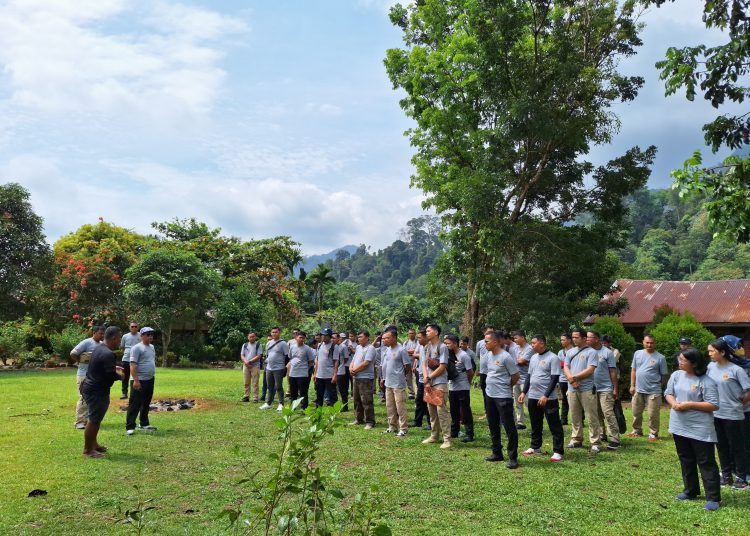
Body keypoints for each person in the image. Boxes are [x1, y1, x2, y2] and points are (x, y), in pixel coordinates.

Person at [664, 348, 722, 511]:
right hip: (679, 425)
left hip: (700, 428)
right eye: (679, 359)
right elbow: (668, 393)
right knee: (686, 458)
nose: (679, 362)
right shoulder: (676, 375)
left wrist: (689, 404)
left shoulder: (706, 381)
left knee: (706, 462)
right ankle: (690, 491)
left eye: (683, 360)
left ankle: (714, 498)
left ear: (694, 363)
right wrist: (673, 403)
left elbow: (713, 405)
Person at [707, 338, 750, 489]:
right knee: (721, 445)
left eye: (712, 351)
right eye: (709, 351)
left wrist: (739, 403)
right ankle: (726, 476)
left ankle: (741, 477)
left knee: (737, 446)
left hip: (733, 415)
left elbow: (748, 390)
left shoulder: (735, 370)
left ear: (723, 352)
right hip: (715, 414)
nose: (710, 354)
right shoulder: (710, 367)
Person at [80, 326, 125, 458]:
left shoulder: (99, 348)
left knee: (96, 418)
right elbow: (110, 375)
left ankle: (93, 444)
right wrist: (120, 375)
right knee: (94, 419)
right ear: (113, 338)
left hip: (90, 387)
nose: (120, 341)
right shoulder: (108, 353)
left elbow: (101, 367)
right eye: (119, 338)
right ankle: (88, 450)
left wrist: (113, 367)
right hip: (96, 391)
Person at [519, 334, 565, 462]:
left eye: (534, 343)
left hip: (548, 399)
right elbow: (529, 376)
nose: (532, 345)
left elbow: (554, 378)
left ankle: (558, 451)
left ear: (542, 343)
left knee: (554, 424)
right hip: (533, 396)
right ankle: (535, 447)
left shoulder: (553, 357)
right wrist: (524, 392)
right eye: (532, 343)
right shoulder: (533, 358)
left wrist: (546, 395)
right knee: (535, 423)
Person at [483, 330, 520, 468]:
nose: (484, 343)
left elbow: (515, 376)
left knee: (508, 426)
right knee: (493, 424)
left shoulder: (506, 357)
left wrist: (506, 386)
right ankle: (496, 452)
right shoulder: (488, 355)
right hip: (490, 395)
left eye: (487, 341)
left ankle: (513, 457)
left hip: (503, 397)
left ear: (496, 342)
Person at [563, 329, 602, 453]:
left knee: (591, 416)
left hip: (586, 389)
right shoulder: (570, 352)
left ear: (584, 338)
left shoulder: (592, 352)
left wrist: (575, 378)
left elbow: (590, 370)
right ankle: (576, 439)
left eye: (577, 337)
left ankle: (595, 442)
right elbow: (566, 366)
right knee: (574, 415)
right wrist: (571, 379)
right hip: (572, 388)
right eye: (573, 337)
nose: (574, 340)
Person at [628, 335, 668, 440]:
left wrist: (659, 386)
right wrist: (632, 385)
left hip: (653, 391)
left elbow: (664, 375)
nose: (649, 345)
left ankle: (653, 433)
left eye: (651, 343)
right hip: (638, 389)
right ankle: (637, 430)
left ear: (655, 343)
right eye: (647, 342)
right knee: (636, 412)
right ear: (643, 342)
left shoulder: (660, 357)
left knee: (653, 414)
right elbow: (633, 370)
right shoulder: (637, 354)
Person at [421, 324, 453, 449]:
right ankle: (434, 435)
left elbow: (442, 366)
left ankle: (447, 439)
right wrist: (426, 378)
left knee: (441, 411)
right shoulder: (427, 347)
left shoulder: (442, 346)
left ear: (435, 332)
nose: (426, 333)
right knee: (431, 410)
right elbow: (423, 364)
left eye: (428, 331)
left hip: (439, 382)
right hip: (429, 382)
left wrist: (429, 377)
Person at [589, 331, 621, 450]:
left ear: (597, 339)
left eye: (589, 337)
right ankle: (602, 434)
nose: (586, 339)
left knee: (608, 413)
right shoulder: (588, 352)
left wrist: (615, 388)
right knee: (596, 414)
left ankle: (615, 439)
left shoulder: (607, 352)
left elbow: (613, 371)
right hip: (591, 388)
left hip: (605, 388)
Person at [70, 326, 105, 429]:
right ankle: (79, 422)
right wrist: (80, 360)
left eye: (103, 334)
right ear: (94, 333)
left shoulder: (102, 345)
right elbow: (73, 353)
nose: (102, 335)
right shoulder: (86, 342)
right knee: (84, 398)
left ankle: (90, 421)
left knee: (95, 399)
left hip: (96, 376)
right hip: (83, 375)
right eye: (100, 333)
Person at [126, 327, 158, 435]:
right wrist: (136, 380)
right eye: (148, 334)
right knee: (135, 404)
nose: (150, 336)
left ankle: (144, 423)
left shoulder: (152, 347)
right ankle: (130, 426)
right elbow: (132, 365)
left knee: (146, 403)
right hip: (139, 380)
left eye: (151, 334)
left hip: (150, 379)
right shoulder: (136, 348)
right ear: (142, 336)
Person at [380, 329, 412, 436]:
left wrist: (400, 375)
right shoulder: (387, 349)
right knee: (390, 406)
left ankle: (403, 429)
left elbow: (408, 366)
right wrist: (383, 378)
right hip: (388, 382)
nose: (384, 340)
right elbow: (385, 366)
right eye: (383, 338)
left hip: (398, 383)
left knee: (400, 407)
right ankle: (392, 426)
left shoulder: (401, 350)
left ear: (394, 338)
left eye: (387, 338)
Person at [447, 333, 475, 442]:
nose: (446, 345)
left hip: (463, 387)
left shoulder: (464, 356)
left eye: (448, 343)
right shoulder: (449, 355)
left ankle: (469, 433)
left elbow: (470, 372)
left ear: (455, 343)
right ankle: (454, 431)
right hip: (452, 387)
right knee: (454, 410)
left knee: (465, 411)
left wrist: (467, 383)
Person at [350, 330, 377, 429]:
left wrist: (355, 370)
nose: (358, 338)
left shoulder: (370, 348)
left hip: (365, 378)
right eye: (358, 337)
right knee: (357, 400)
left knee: (366, 400)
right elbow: (353, 360)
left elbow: (366, 363)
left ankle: (370, 421)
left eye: (361, 337)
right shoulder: (358, 347)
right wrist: (351, 368)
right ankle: (358, 419)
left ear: (367, 338)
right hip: (356, 377)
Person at [260, 327, 289, 411]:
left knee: (278, 386)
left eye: (276, 332)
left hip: (279, 368)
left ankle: (281, 404)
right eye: (272, 332)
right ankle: (268, 403)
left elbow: (287, 357)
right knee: (269, 386)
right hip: (269, 368)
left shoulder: (283, 343)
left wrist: (284, 368)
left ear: (279, 333)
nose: (274, 334)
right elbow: (268, 355)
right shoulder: (269, 343)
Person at [510, 330, 533, 429]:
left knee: (528, 402)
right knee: (517, 402)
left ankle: (535, 420)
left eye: (516, 338)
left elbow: (521, 361)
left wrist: (521, 361)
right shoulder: (515, 349)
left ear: (522, 337)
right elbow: (514, 361)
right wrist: (520, 361)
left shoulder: (529, 348)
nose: (514, 340)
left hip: (526, 379)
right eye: (514, 338)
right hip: (517, 378)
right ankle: (520, 422)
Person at [409, 329, 431, 430]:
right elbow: (421, 361)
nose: (418, 340)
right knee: (419, 400)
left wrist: (427, 377)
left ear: (426, 337)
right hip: (421, 378)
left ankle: (431, 424)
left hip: (429, 378)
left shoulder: (431, 348)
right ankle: (417, 421)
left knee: (429, 401)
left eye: (420, 338)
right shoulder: (422, 347)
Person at [288, 331, 315, 410]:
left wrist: (304, 366)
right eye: (300, 337)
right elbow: (290, 357)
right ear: (296, 338)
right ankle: (293, 407)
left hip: (302, 374)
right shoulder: (292, 347)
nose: (301, 339)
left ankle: (304, 407)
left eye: (303, 338)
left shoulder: (307, 348)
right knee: (293, 392)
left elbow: (311, 361)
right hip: (292, 373)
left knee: (303, 392)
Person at [314, 328, 338, 407]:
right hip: (319, 374)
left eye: (325, 335)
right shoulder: (319, 345)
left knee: (331, 395)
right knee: (319, 395)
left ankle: (332, 412)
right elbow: (317, 359)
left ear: (330, 336)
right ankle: (318, 412)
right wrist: (315, 373)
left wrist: (334, 375)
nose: (323, 337)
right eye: (322, 335)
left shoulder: (334, 347)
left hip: (329, 375)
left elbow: (336, 361)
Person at [119, 322, 140, 400]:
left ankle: (135, 392)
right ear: (129, 327)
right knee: (125, 376)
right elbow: (122, 347)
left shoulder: (141, 335)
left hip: (136, 360)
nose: (134, 328)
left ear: (138, 327)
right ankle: (124, 393)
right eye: (132, 326)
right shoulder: (125, 336)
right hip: (126, 359)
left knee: (136, 376)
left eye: (135, 326)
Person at [240, 332, 262, 402]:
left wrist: (249, 362)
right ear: (248, 337)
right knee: (246, 382)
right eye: (250, 337)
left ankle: (255, 397)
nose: (251, 338)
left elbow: (259, 356)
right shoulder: (245, 345)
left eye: (253, 336)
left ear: (255, 337)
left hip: (255, 366)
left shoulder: (258, 345)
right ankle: (246, 396)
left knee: (255, 382)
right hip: (246, 366)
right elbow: (242, 355)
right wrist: (246, 362)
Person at [558, 334, 573, 425]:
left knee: (576, 399)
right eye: (561, 340)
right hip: (563, 379)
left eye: (563, 340)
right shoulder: (560, 352)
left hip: (574, 378)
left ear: (569, 340)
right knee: (564, 399)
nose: (562, 342)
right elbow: (561, 365)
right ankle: (564, 419)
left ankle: (581, 419)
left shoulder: (575, 350)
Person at [335, 332, 352, 411]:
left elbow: (346, 358)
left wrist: (340, 365)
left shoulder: (343, 347)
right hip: (332, 371)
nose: (333, 339)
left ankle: (345, 406)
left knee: (343, 389)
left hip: (342, 370)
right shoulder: (333, 347)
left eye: (334, 338)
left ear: (338, 338)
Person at [403, 328, 418, 399]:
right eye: (410, 333)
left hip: (416, 362)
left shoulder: (418, 342)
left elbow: (417, 351)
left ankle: (417, 392)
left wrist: (409, 352)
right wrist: (413, 352)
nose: (411, 335)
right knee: (408, 378)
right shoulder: (406, 343)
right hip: (408, 362)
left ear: (415, 334)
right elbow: (403, 352)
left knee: (415, 378)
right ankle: (411, 393)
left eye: (412, 333)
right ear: (408, 334)